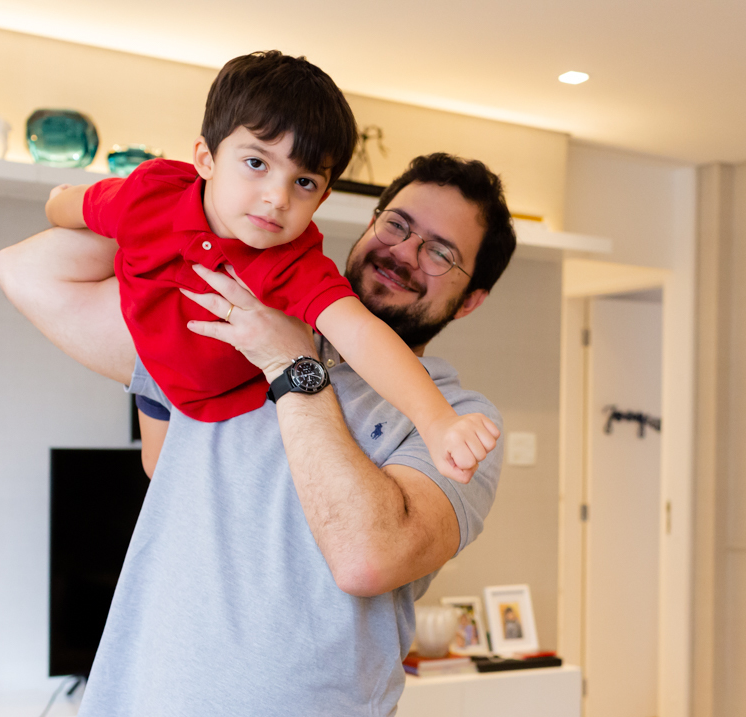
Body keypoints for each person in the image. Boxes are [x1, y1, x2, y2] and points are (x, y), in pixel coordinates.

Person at [0, 152, 517, 717]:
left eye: (440, 252)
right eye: (397, 225)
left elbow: (367, 558)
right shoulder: (233, 317)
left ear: (471, 299)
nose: (404, 252)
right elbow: (30, 273)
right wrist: (192, 206)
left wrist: (291, 365)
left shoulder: (459, 421)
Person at [44, 51, 497, 483]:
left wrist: (436, 421)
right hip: (150, 363)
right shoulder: (150, 193)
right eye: (256, 163)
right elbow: (79, 205)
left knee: (174, 478)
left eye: (304, 182)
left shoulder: (294, 260)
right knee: (156, 471)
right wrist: (55, 204)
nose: (278, 198)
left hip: (227, 394)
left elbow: (360, 332)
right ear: (205, 159)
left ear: (322, 198)